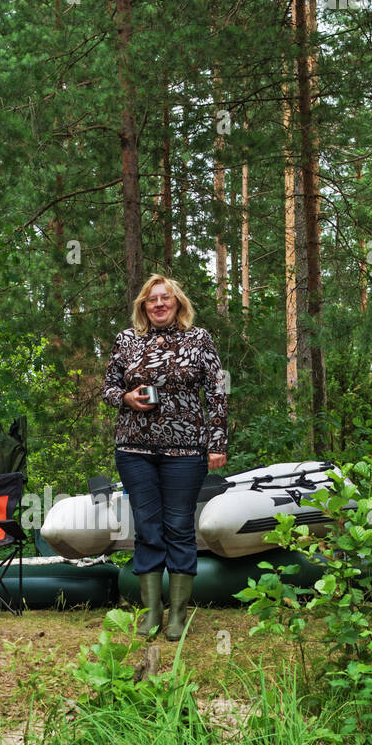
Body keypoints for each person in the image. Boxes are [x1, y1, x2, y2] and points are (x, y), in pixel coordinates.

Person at [101, 274, 228, 640]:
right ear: (143, 305)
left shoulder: (199, 339)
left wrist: (216, 442)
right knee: (147, 527)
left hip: (186, 450)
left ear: (177, 304)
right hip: (134, 449)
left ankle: (177, 614)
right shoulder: (127, 340)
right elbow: (108, 386)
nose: (158, 304)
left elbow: (216, 392)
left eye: (165, 299)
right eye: (151, 299)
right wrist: (124, 398)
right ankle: (152, 611)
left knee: (179, 528)